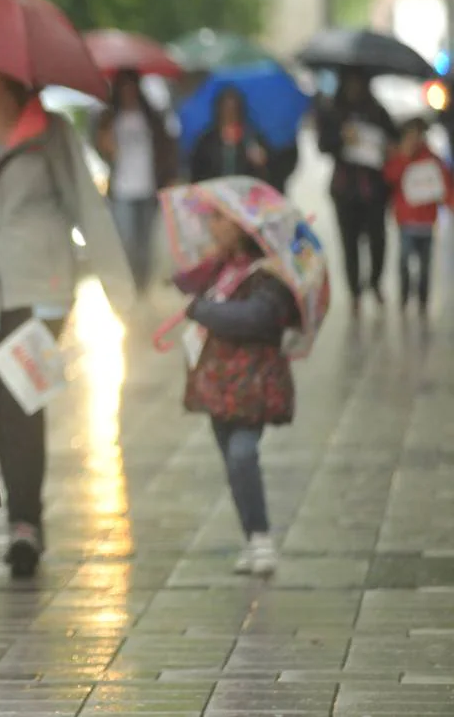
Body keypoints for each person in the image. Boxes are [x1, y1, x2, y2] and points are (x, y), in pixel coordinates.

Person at [0, 60, 133, 578]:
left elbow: (86, 205)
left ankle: (25, 526)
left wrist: (120, 294)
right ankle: (23, 519)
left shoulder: (51, 130)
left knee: (23, 399)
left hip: (43, 289)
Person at [172, 207, 300, 576]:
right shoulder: (220, 267)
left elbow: (255, 318)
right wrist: (208, 263)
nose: (211, 226)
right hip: (218, 384)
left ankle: (260, 538)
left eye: (218, 219)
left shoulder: (268, 274)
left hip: (253, 385)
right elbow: (180, 281)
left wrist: (203, 310)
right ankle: (252, 537)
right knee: (232, 462)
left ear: (242, 227)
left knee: (242, 454)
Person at [316, 68, 398, 311]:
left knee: (377, 240)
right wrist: (342, 138)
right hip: (345, 188)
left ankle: (375, 281)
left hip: (374, 189)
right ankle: (355, 291)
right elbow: (323, 145)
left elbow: (392, 139)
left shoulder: (377, 111)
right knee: (349, 243)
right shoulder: (333, 112)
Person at [92, 70, 178, 294]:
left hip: (148, 187)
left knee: (145, 243)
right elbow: (103, 151)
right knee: (127, 240)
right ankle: (132, 283)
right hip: (123, 189)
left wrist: (168, 175)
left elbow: (166, 148)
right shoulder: (109, 119)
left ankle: (143, 285)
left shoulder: (151, 118)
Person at [382, 119, 452, 316]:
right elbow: (389, 177)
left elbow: (444, 186)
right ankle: (404, 297)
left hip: (426, 223)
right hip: (406, 222)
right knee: (404, 262)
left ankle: (422, 300)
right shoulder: (399, 159)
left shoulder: (432, 160)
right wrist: (402, 157)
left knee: (425, 266)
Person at [189, 86, 270, 183]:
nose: (229, 113)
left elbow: (266, 170)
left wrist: (260, 161)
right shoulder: (207, 139)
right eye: (226, 109)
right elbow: (197, 170)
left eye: (233, 109)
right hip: (214, 191)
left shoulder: (251, 137)